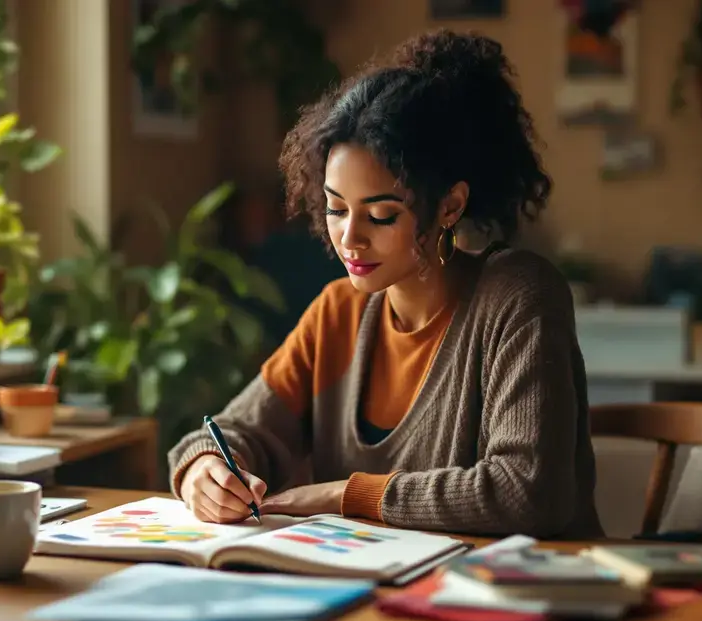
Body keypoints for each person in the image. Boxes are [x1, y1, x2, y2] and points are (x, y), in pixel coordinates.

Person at [166, 29, 604, 539]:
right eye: (336, 208)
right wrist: (205, 470)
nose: (350, 238)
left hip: (523, 597)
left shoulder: (518, 296)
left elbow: (527, 491)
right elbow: (231, 433)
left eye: (379, 216)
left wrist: (344, 496)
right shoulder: (337, 314)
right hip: (378, 595)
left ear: (449, 207)